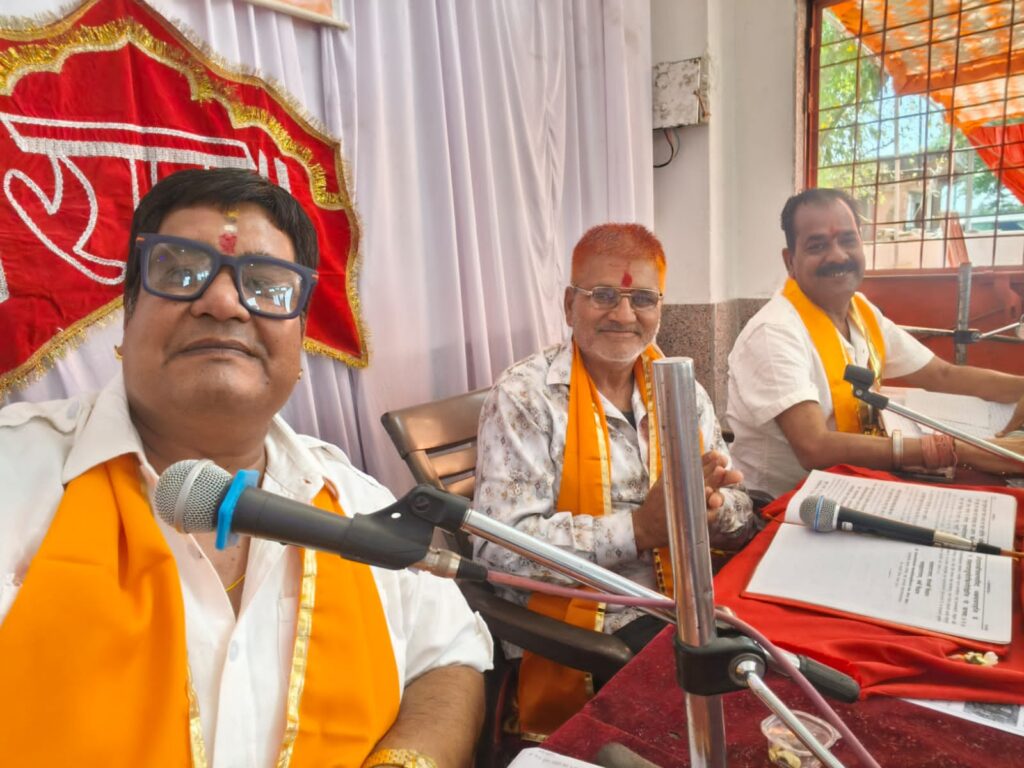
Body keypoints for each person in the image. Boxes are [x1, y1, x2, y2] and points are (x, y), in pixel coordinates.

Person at [0, 169, 492, 767]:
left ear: (301, 339)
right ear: (127, 316)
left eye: (266, 285)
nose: (223, 302)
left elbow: (448, 658)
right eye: (180, 273)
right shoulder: (16, 477)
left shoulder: (355, 503)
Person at [472, 223, 758, 736]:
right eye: (603, 295)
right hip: (593, 621)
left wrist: (713, 511)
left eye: (642, 298)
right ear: (569, 305)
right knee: (730, 708)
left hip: (693, 598)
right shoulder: (525, 396)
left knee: (785, 671)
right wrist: (640, 529)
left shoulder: (681, 390)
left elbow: (739, 506)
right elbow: (498, 549)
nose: (624, 315)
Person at [727, 187, 1024, 498]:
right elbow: (814, 447)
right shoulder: (774, 332)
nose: (838, 255)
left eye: (848, 240)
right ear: (790, 261)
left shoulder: (861, 311)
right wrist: (956, 450)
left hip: (852, 488)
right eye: (817, 246)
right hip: (780, 506)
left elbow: (941, 374)